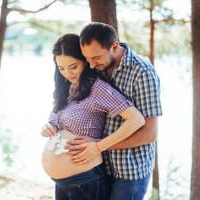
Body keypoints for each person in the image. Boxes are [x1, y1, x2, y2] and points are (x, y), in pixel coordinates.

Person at [41, 33, 145, 200]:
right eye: (61, 68)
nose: (67, 73)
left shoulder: (98, 89)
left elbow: (136, 119)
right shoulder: (66, 87)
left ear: (85, 62)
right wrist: (50, 126)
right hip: (62, 182)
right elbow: (58, 116)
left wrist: (98, 147)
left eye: (73, 66)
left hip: (85, 180)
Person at [67, 22, 162, 200]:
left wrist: (99, 145)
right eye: (87, 59)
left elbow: (149, 134)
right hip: (99, 166)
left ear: (114, 46)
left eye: (96, 58)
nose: (92, 65)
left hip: (129, 172)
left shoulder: (142, 73)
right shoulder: (97, 67)